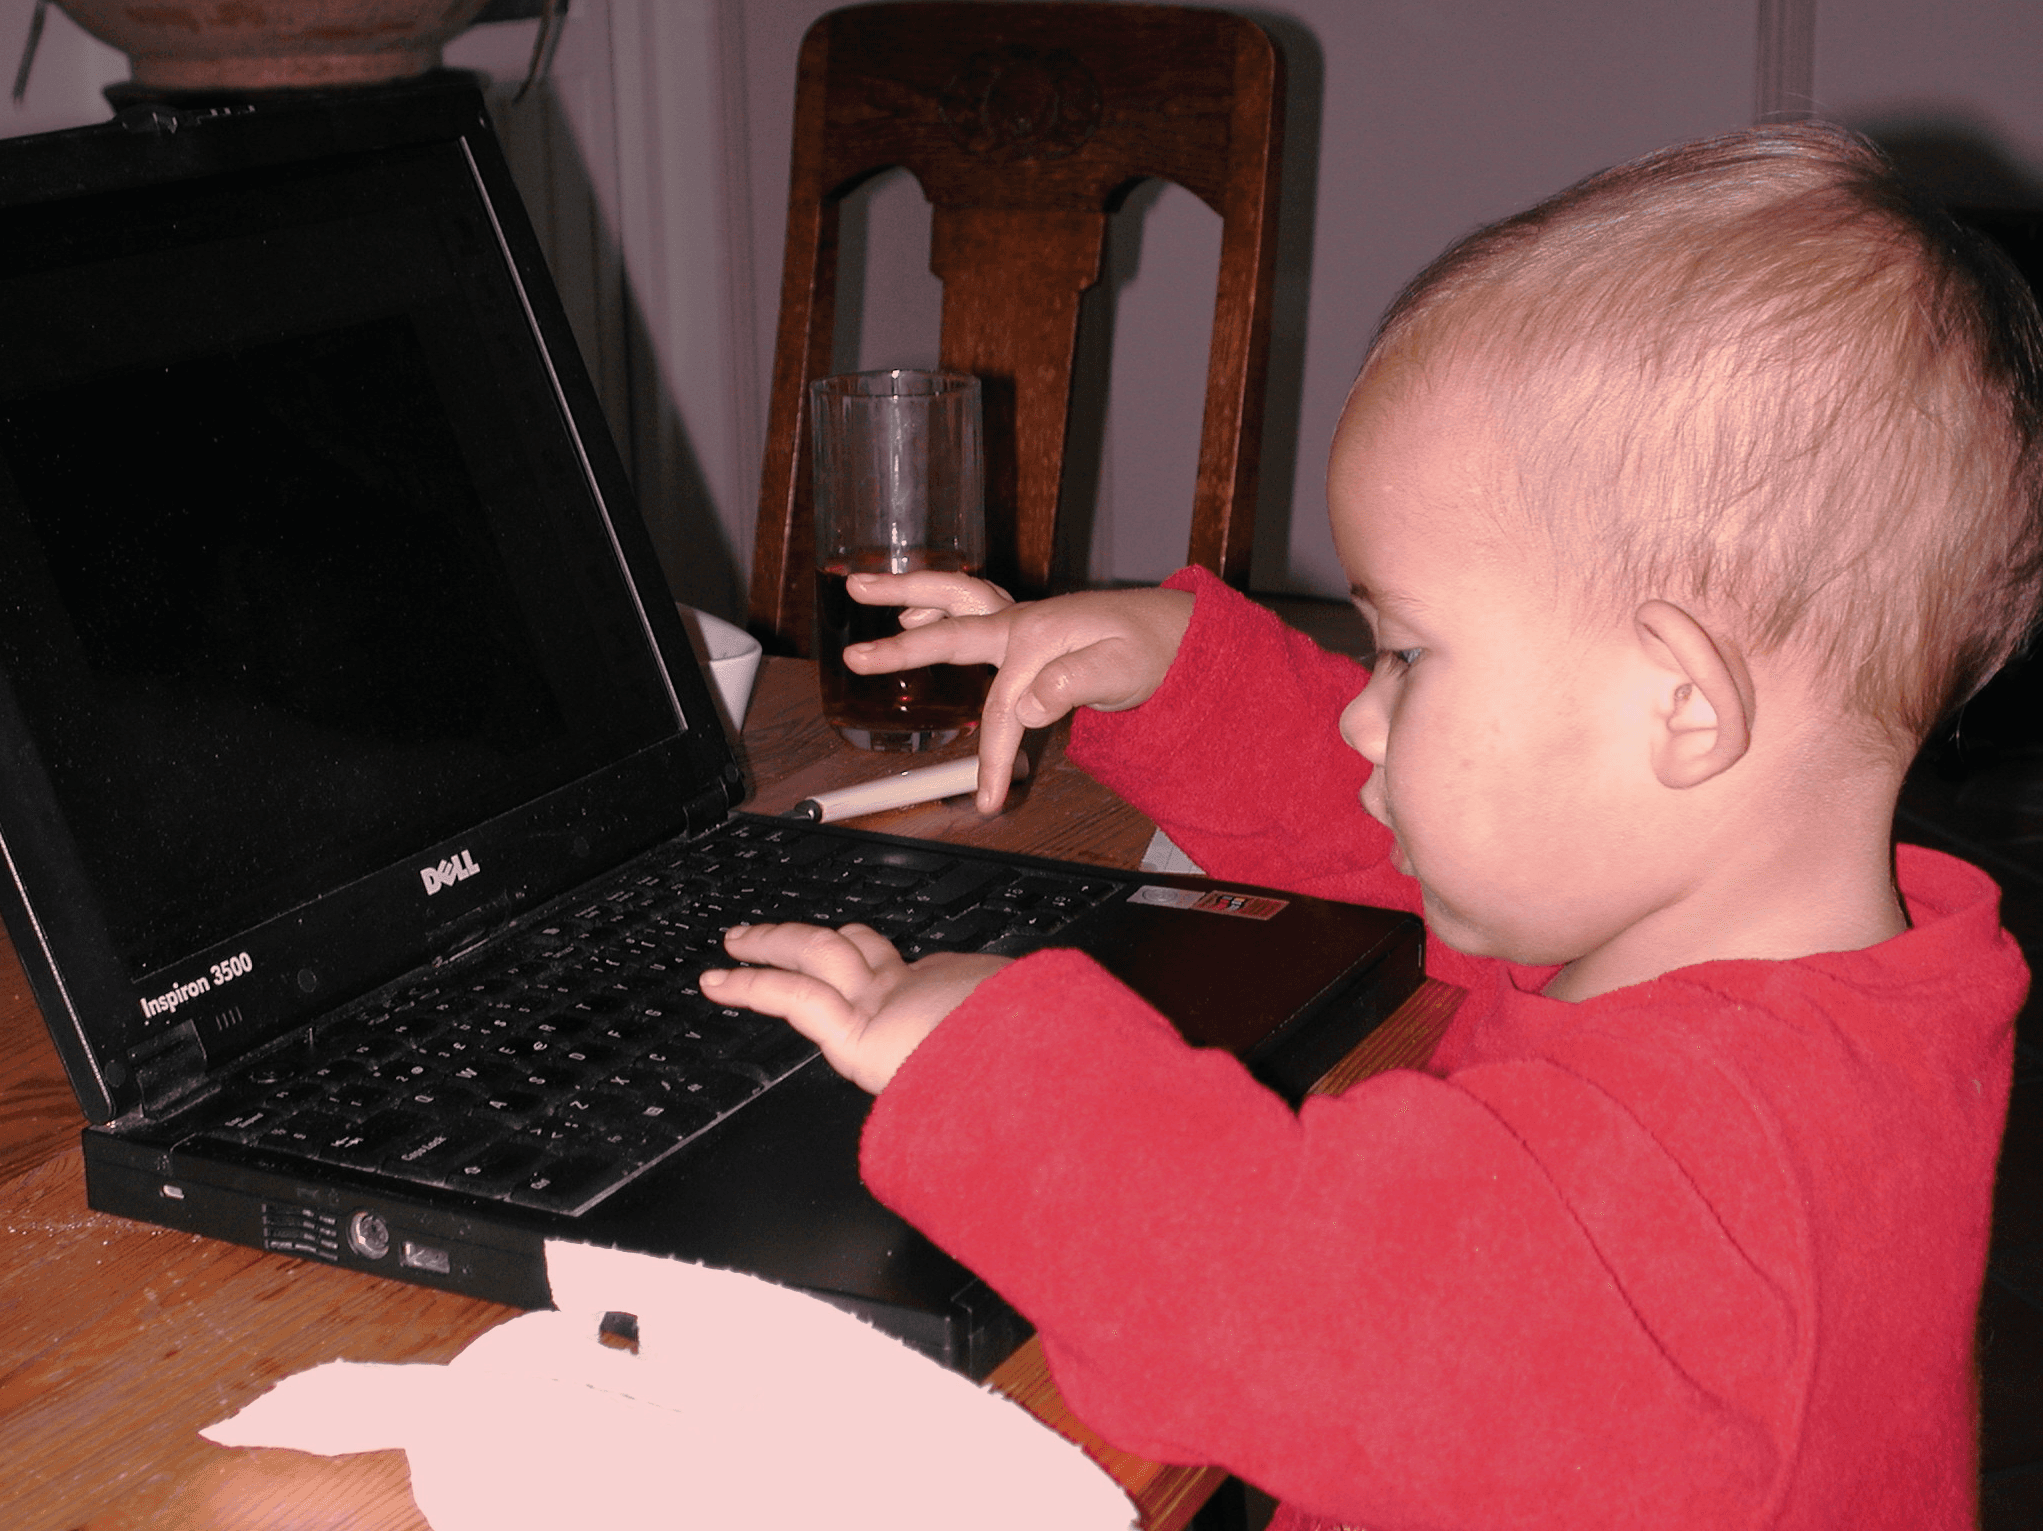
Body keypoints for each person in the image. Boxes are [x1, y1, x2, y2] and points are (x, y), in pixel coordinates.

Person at [700, 124, 2043, 1527]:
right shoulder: (1728, 925)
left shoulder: (1717, 1173)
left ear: (1679, 709)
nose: (1363, 713)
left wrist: (988, 1066)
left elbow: (1291, 1306)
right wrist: (1178, 672)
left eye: (1407, 654)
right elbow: (1414, 848)